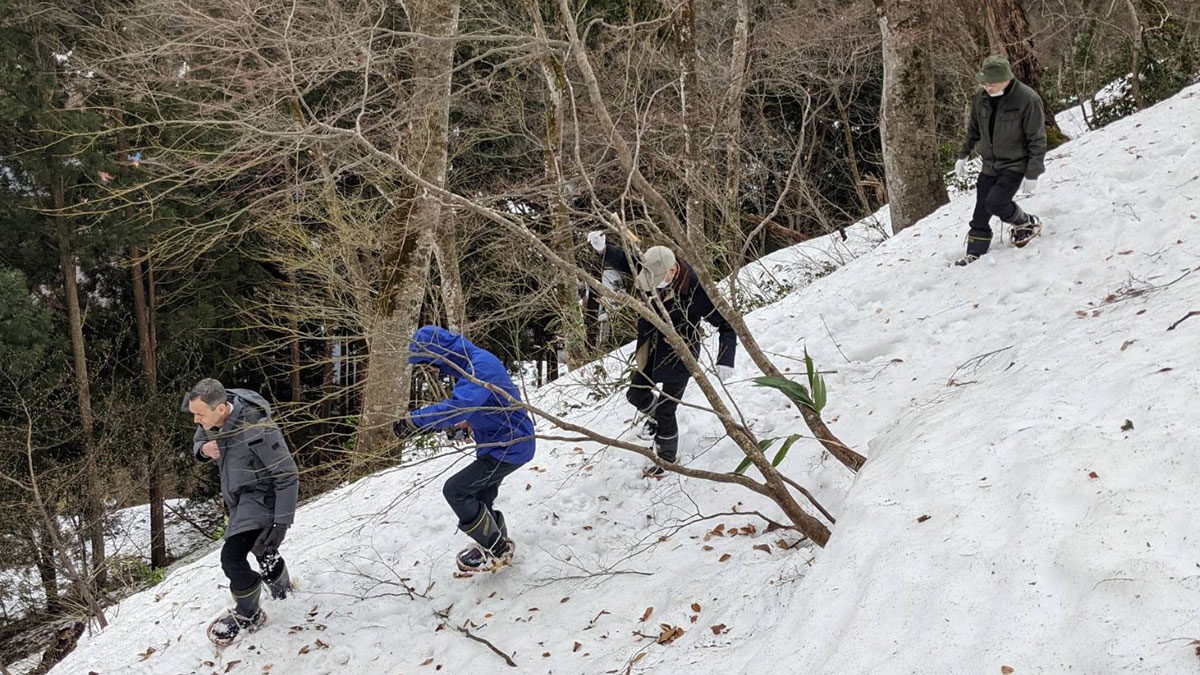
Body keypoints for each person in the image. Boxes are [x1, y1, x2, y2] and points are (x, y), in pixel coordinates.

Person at [393, 326, 536, 573]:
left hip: (510, 447)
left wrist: (414, 421)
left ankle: (497, 550)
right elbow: (485, 403)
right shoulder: (472, 364)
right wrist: (468, 423)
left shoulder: (479, 367)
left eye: (429, 364)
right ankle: (495, 545)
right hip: (498, 444)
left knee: (456, 490)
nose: (432, 371)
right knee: (481, 495)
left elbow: (459, 406)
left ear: (439, 354)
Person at [597, 242, 737, 477]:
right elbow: (628, 262)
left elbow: (725, 324)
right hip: (654, 344)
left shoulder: (693, 288)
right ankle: (656, 421)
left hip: (682, 352)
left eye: (659, 279)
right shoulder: (653, 263)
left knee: (666, 410)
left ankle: (667, 459)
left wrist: (725, 358)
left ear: (672, 271)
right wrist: (604, 250)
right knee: (636, 394)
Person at [182, 379, 299, 645]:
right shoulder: (211, 419)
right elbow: (199, 437)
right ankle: (283, 592)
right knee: (262, 547)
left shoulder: (258, 430)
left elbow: (288, 476)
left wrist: (281, 522)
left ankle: (249, 613)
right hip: (238, 498)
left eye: (199, 415)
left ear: (221, 409)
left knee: (232, 558)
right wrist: (202, 450)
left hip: (263, 499)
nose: (195, 420)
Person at [954, 55, 1048, 265]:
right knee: (980, 212)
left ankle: (1026, 222)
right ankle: (975, 253)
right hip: (990, 164)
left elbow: (1037, 139)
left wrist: (1033, 172)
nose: (987, 87)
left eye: (992, 83)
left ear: (1006, 78)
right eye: (984, 83)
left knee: (996, 202)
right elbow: (974, 129)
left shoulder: (1027, 100)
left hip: (1016, 163)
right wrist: (963, 154)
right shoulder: (981, 98)